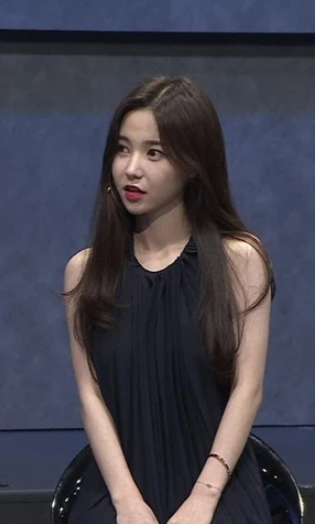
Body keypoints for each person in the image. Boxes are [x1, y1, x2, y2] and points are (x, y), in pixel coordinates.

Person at [64, 76, 274, 524]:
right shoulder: (86, 272)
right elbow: (90, 393)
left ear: (193, 164)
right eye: (123, 149)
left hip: (216, 488)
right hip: (120, 490)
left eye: (153, 153)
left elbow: (248, 389)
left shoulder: (240, 261)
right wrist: (126, 501)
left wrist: (204, 497)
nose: (131, 168)